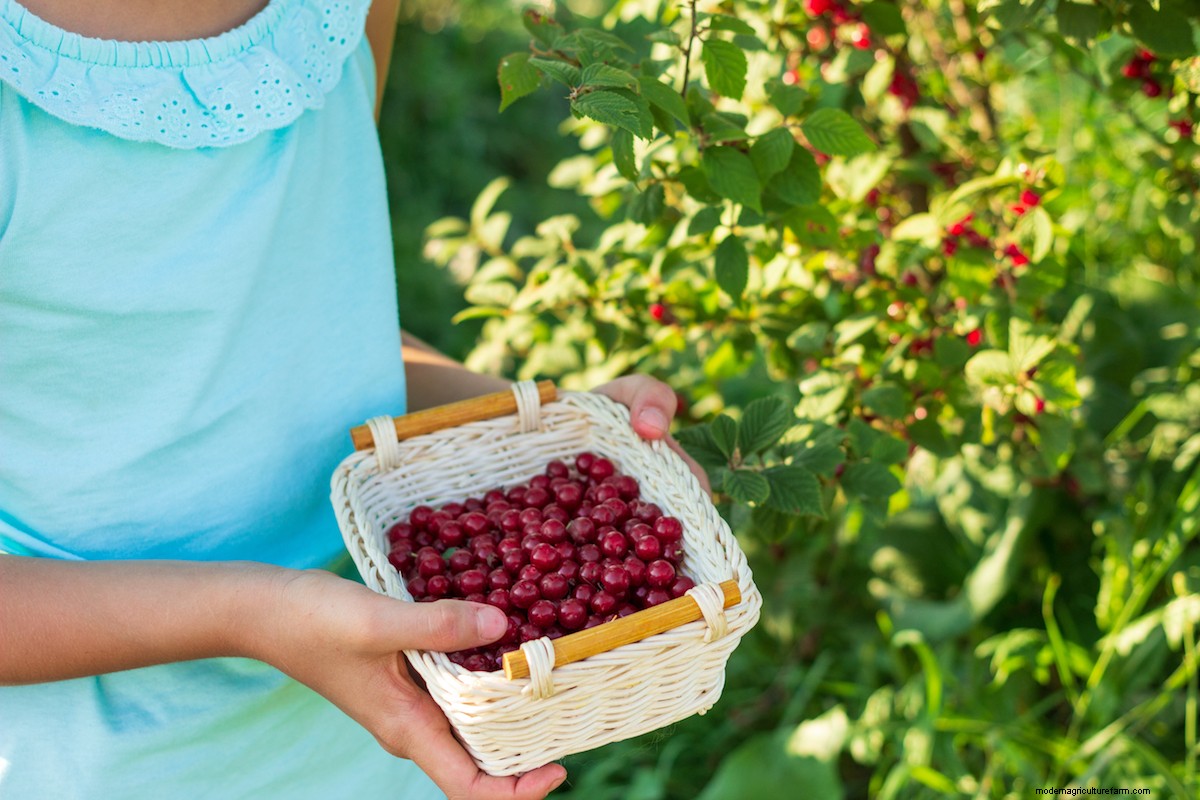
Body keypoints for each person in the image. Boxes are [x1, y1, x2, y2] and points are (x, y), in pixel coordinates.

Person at [0, 0, 707, 798]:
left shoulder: (333, 15)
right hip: (115, 763)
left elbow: (310, 333)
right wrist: (254, 616)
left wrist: (545, 431)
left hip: (382, 711)